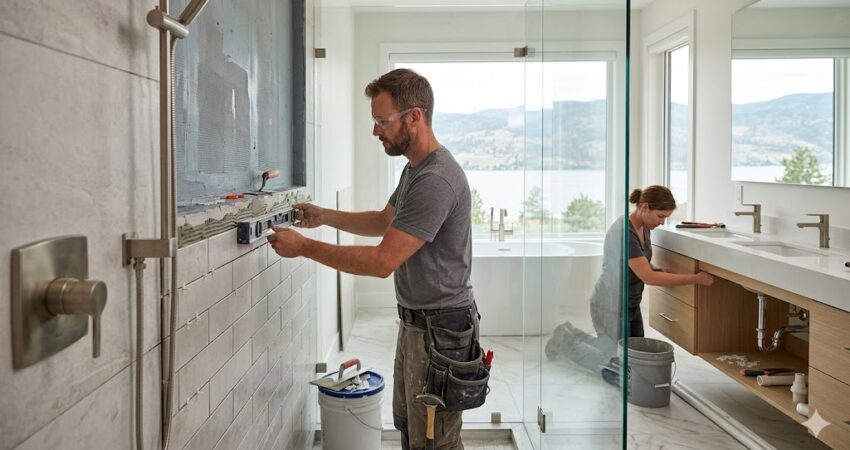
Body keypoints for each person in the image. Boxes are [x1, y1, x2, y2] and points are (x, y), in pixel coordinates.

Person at [267, 68, 476, 450]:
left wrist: (305, 248)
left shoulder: (436, 179)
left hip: (440, 332)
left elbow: (382, 262)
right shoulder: (415, 170)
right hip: (420, 326)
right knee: (413, 429)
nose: (376, 131)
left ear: (414, 116)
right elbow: (385, 221)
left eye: (382, 121)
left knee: (434, 442)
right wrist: (325, 216)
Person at [544, 185, 714, 381]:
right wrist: (695, 279)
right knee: (612, 362)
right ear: (645, 207)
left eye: (665, 217)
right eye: (660, 216)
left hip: (630, 303)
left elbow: (637, 264)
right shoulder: (624, 232)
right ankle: (566, 339)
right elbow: (648, 278)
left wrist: (654, 269)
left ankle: (569, 333)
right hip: (609, 304)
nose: (662, 222)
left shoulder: (643, 226)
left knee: (633, 357)